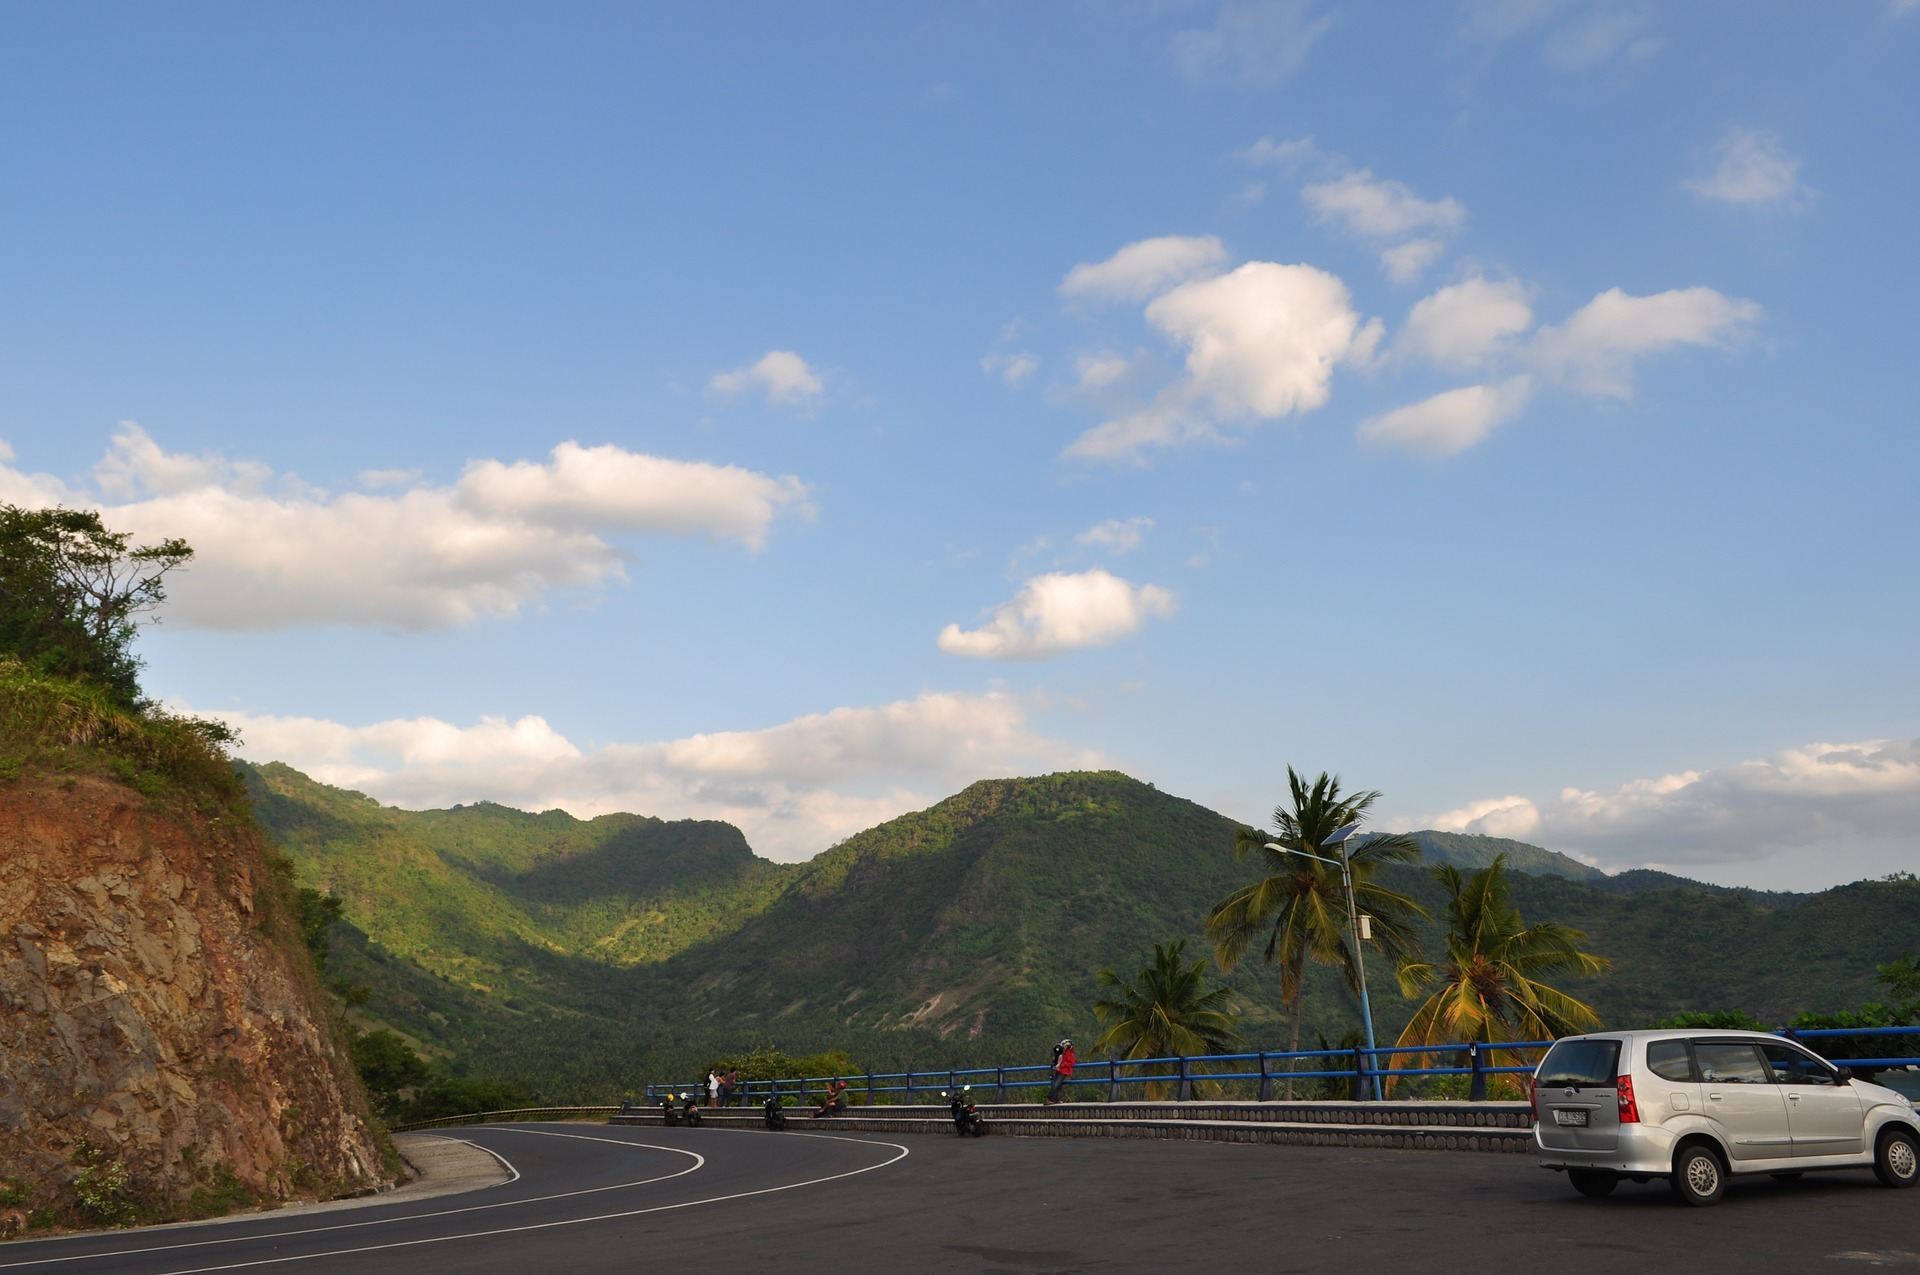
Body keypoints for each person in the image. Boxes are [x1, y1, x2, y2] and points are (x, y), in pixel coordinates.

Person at [1045, 1038, 1076, 1104]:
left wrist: (1060, 1065)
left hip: (1062, 1070)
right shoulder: (1062, 1052)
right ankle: (1049, 1098)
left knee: (1058, 1085)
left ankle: (1055, 1099)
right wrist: (1060, 1065)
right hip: (1062, 1071)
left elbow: (1070, 1062)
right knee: (1056, 1084)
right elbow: (1071, 1062)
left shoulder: (1068, 1052)